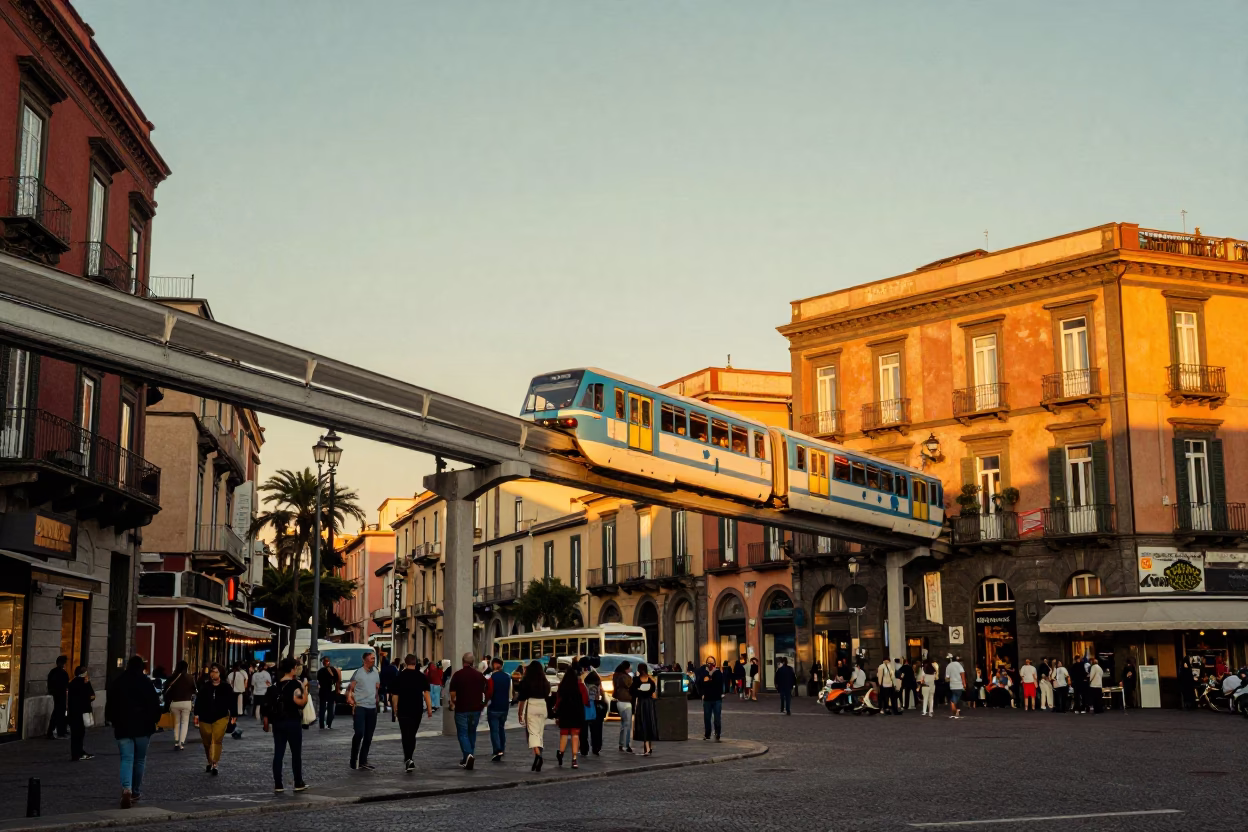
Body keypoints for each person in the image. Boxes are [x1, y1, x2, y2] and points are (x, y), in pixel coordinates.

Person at [105, 656, 161, 809]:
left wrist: (112, 720)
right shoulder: (146, 683)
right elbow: (155, 705)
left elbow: (110, 704)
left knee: (126, 759)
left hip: (123, 727)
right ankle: (135, 791)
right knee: (140, 760)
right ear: (141, 667)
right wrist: (154, 720)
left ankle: (126, 788)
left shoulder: (118, 682)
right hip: (143, 727)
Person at [263, 657, 309, 793]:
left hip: (278, 722)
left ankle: (278, 784)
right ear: (293, 669)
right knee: (296, 753)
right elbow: (302, 703)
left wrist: (266, 722)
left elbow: (266, 707)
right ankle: (298, 782)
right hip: (292, 722)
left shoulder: (274, 687)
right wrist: (304, 688)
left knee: (278, 753)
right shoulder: (295, 685)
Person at [391, 653, 433, 773]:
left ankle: (408, 758)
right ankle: (409, 757)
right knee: (412, 734)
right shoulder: (421, 676)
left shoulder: (399, 676)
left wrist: (395, 709)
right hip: (417, 709)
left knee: (405, 734)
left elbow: (395, 695)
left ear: (405, 662)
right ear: (415, 663)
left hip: (403, 709)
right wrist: (429, 708)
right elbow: (426, 693)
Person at [194, 663, 236, 775]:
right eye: (212, 671)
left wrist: (234, 715)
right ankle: (210, 760)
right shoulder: (205, 686)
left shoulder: (226, 687)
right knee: (207, 741)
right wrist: (196, 714)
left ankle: (214, 763)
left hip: (221, 716)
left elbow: (231, 701)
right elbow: (199, 701)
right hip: (205, 717)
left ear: (221, 673)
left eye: (216, 671)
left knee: (216, 740)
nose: (213, 674)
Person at [449, 651, 488, 770]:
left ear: (463, 661)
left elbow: (453, 693)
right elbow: (484, 691)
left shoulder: (458, 675)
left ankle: (468, 754)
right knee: (472, 732)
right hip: (476, 709)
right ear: (473, 662)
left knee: (462, 733)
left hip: (462, 708)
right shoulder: (479, 675)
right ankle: (468, 756)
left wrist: (454, 702)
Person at [347, 650, 381, 770]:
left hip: (372, 708)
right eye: (372, 658)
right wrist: (349, 699)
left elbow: (377, 688)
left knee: (368, 736)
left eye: (374, 658)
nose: (373, 660)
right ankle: (353, 758)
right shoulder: (358, 673)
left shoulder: (376, 672)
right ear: (365, 660)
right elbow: (350, 688)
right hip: (360, 706)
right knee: (359, 732)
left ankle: (363, 760)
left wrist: (377, 701)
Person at [554, 658, 587, 768]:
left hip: (564, 712)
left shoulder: (562, 686)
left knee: (564, 734)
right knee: (575, 735)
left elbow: (558, 700)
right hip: (577, 712)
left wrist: (556, 710)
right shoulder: (580, 686)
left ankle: (561, 753)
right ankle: (574, 759)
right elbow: (586, 700)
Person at [516, 660, 550, 771]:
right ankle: (538, 755)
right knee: (539, 732)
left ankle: (538, 755)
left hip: (531, 705)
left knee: (532, 733)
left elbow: (522, 698)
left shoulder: (526, 681)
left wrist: (520, 712)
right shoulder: (545, 682)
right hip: (542, 705)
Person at [164, 660, 195, 751]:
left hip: (175, 702)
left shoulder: (172, 677)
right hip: (186, 702)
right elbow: (194, 689)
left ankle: (176, 741)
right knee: (184, 723)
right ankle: (181, 742)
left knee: (176, 723)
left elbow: (166, 689)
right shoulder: (190, 678)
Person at [485, 656, 512, 762]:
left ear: (493, 665)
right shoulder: (508, 677)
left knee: (494, 730)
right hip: (504, 707)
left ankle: (497, 750)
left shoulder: (490, 677)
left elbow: (488, 692)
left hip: (494, 706)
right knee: (501, 728)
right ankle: (502, 747)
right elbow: (510, 693)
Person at [629, 663, 659, 756]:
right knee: (649, 722)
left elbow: (632, 691)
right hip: (649, 703)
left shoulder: (636, 680)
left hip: (642, 703)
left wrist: (639, 691)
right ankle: (648, 746)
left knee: (643, 723)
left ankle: (647, 747)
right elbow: (653, 690)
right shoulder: (650, 680)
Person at [67, 665, 95, 761]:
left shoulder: (72, 683)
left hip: (73, 712)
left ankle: (75, 754)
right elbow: (92, 696)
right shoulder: (85, 683)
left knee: (75, 734)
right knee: (80, 733)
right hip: (83, 712)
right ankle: (79, 752)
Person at [580, 659, 606, 756]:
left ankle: (584, 748)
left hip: (585, 705)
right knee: (597, 729)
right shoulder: (596, 675)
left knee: (583, 730)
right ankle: (596, 747)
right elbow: (601, 692)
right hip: (596, 705)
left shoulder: (583, 676)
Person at [697, 656, 722, 740]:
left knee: (717, 718)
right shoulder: (704, 672)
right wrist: (702, 694)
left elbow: (718, 684)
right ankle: (707, 734)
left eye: (712, 662)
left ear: (714, 663)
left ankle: (717, 733)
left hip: (716, 698)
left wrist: (721, 693)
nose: (710, 664)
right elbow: (700, 683)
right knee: (707, 718)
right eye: (708, 662)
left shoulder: (718, 673)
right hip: (707, 698)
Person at [45, 655, 69, 740]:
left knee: (58, 713)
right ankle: (57, 732)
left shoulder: (53, 672)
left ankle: (58, 731)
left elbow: (50, 683)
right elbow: (66, 684)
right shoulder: (62, 673)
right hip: (60, 694)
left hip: (56, 694)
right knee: (59, 713)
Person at [612, 660, 634, 752]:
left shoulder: (616, 676)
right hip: (626, 702)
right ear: (626, 668)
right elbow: (631, 686)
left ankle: (621, 744)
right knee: (627, 725)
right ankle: (626, 744)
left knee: (623, 724)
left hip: (619, 702)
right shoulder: (625, 677)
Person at [225, 663, 248, 739]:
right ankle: (234, 722)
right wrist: (244, 687)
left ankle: (233, 722)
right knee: (239, 708)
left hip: (232, 692)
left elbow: (229, 683)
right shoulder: (243, 673)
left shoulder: (230, 674)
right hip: (240, 692)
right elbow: (246, 681)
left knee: (233, 709)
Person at [316, 656, 340, 729]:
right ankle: (324, 724)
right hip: (325, 691)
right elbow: (336, 680)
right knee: (324, 708)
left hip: (328, 691)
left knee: (328, 707)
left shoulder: (331, 670)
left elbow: (336, 679)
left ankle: (326, 724)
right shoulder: (322, 671)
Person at [945, 654, 966, 719]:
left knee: (955, 694)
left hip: (952, 684)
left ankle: (956, 708)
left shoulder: (948, 666)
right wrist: (964, 683)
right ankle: (954, 705)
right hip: (959, 684)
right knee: (958, 696)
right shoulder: (959, 665)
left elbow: (947, 677)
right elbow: (962, 674)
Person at [380, 651, 399, 717]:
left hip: (386, 684)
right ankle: (394, 707)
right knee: (393, 696)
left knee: (386, 695)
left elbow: (381, 677)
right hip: (393, 684)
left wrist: (382, 684)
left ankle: (386, 705)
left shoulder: (383, 669)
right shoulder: (393, 668)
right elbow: (397, 675)